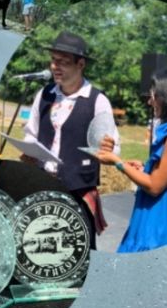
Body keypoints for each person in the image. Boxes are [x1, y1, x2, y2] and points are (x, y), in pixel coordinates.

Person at [22, 31, 120, 249]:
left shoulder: (97, 101)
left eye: (63, 62)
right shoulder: (44, 94)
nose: (55, 67)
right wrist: (28, 150)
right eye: (53, 61)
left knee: (78, 254)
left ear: (81, 64)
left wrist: (108, 149)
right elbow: (32, 132)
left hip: (77, 191)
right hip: (43, 187)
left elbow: (113, 149)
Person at [96, 68, 167, 253]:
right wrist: (144, 167)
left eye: (154, 96)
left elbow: (154, 186)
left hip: (155, 223)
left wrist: (118, 163)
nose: (150, 101)